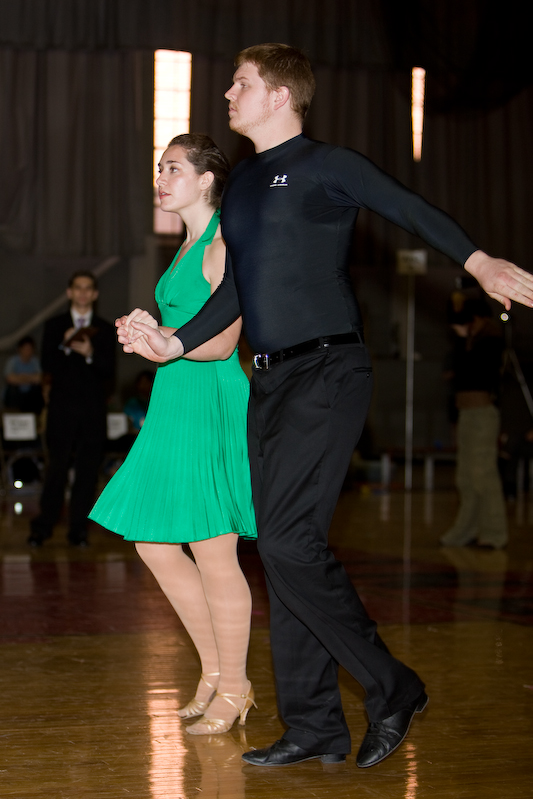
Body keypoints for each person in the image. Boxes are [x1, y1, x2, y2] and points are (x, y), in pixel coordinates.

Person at [118, 44, 533, 768]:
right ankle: (313, 725)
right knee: (284, 554)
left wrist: (477, 261)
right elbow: (236, 291)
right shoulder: (245, 184)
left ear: (280, 96)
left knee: (287, 544)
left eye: (241, 84)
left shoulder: (325, 164)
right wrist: (174, 344)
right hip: (270, 381)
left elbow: (408, 208)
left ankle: (393, 685)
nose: (228, 94)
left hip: (329, 369)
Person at [89, 133, 257, 735]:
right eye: (160, 168)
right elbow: (179, 332)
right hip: (175, 398)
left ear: (207, 179)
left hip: (207, 399)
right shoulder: (185, 245)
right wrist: (146, 335)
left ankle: (235, 686)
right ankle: (214, 671)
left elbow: (224, 343)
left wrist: (165, 344)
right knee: (155, 544)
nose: (160, 178)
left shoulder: (221, 245)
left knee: (214, 550)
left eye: (173, 169)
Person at [28, 271, 116, 547]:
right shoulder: (55, 325)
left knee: (87, 471)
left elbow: (109, 371)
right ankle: (44, 526)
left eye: (88, 288)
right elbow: (46, 365)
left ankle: (78, 529)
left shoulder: (104, 328)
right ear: (69, 292)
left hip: (92, 410)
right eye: (78, 287)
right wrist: (64, 346)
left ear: (95, 294)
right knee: (56, 468)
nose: (83, 292)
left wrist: (90, 353)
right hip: (62, 409)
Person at [440, 299, 507, 549]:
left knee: (483, 474)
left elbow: (474, 372)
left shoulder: (491, 341)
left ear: (477, 319)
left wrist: (464, 340)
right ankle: (467, 530)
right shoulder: (470, 341)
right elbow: (457, 374)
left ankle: (495, 533)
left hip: (482, 414)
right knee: (465, 477)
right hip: (467, 413)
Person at [3, 335, 44, 414]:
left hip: (29, 394)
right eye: (25, 349)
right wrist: (30, 378)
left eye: (30, 349)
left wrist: (21, 377)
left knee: (37, 390)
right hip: (16, 394)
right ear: (20, 349)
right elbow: (9, 378)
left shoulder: (35, 362)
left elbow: (39, 378)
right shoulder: (13, 361)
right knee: (12, 390)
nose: (28, 351)